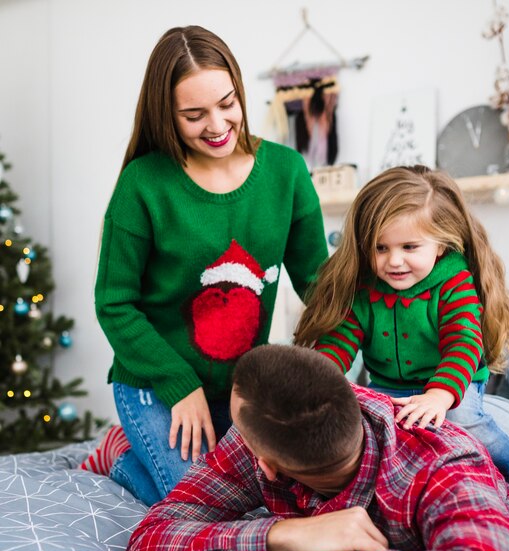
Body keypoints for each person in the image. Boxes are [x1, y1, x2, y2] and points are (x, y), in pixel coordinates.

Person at [81, 25, 328, 506]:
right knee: (204, 505)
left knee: (270, 495)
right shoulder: (143, 184)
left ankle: (134, 457)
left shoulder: (286, 172)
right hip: (156, 384)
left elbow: (320, 284)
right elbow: (114, 303)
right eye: (194, 115)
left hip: (244, 389)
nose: (217, 125)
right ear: (166, 116)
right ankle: (122, 455)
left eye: (226, 103)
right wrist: (180, 386)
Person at [125, 344, 509, 551]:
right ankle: (120, 451)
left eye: (238, 431)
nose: (235, 438)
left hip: (504, 427)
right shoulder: (257, 439)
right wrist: (284, 535)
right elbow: (150, 538)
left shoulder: (446, 463)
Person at [294, 165, 509, 519]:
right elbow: (340, 341)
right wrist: (318, 382)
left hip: (451, 384)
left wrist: (439, 396)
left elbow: (464, 343)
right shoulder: (364, 287)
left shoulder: (454, 282)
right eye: (380, 247)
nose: (393, 261)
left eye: (409, 246)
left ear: (441, 243)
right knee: (356, 435)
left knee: (463, 421)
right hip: (387, 385)